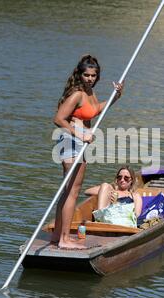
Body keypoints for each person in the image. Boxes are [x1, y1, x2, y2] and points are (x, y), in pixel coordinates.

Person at [52, 54, 124, 249]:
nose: (90, 78)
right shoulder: (77, 93)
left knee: (69, 191)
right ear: (80, 74)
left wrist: (115, 96)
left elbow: (95, 110)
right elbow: (59, 119)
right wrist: (81, 134)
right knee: (72, 192)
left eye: (93, 75)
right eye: (86, 75)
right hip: (70, 142)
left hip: (78, 142)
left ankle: (59, 234)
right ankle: (64, 239)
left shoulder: (90, 92)